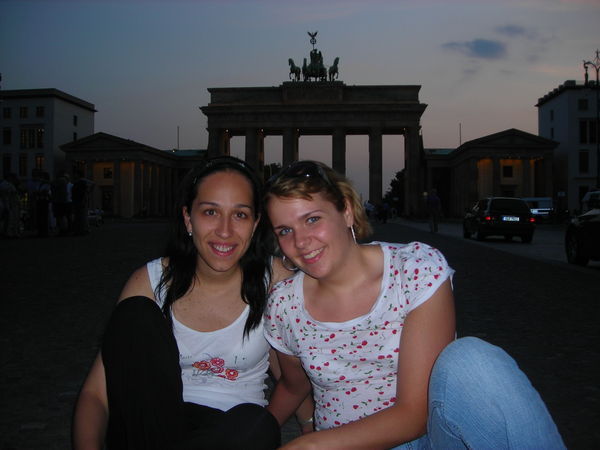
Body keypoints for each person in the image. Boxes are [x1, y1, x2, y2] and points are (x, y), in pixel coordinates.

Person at [263, 160, 565, 449]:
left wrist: (311, 444)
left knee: (473, 359)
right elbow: (293, 385)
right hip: (339, 444)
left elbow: (414, 416)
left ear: (346, 211)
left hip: (426, 439)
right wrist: (254, 434)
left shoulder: (413, 270)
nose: (301, 241)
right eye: (285, 231)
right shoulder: (285, 304)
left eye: (312, 219)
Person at [73, 156, 312, 450]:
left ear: (255, 223)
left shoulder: (277, 280)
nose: (225, 231)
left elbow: (293, 370)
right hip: (152, 427)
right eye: (210, 212)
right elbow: (97, 393)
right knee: (135, 313)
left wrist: (310, 427)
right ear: (188, 218)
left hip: (233, 431)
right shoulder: (150, 280)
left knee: (257, 424)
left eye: (240, 215)